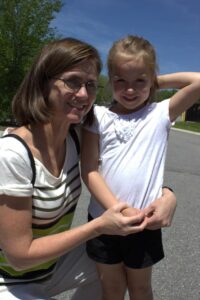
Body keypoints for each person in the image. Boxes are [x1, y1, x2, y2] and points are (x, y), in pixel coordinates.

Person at [0, 37, 156, 300]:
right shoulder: (12, 154)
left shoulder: (75, 138)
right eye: (72, 81)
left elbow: (132, 162)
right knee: (101, 243)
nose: (83, 94)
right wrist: (98, 227)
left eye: (91, 85)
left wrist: (167, 194)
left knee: (110, 264)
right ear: (43, 82)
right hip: (10, 281)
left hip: (53, 267)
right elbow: (19, 257)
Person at [81, 35, 200, 300]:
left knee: (141, 288)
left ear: (152, 81)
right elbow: (89, 169)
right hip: (105, 220)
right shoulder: (98, 116)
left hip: (144, 222)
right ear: (110, 79)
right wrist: (117, 209)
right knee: (110, 288)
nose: (130, 89)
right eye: (121, 80)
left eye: (140, 81)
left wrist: (156, 82)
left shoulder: (160, 113)